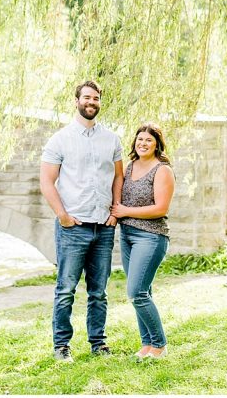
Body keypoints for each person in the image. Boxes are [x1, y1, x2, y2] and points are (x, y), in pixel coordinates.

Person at [40, 80, 124, 361]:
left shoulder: (112, 139)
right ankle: (61, 346)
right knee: (66, 290)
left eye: (96, 98)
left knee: (99, 292)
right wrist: (62, 216)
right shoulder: (60, 139)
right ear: (76, 101)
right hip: (73, 227)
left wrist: (114, 213)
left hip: (103, 226)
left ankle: (98, 343)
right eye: (87, 97)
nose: (91, 102)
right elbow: (47, 182)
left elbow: (118, 177)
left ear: (100, 102)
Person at [110, 122, 176, 360]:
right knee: (143, 291)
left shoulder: (162, 170)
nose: (143, 144)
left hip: (151, 236)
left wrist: (125, 211)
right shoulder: (130, 167)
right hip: (128, 236)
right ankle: (147, 344)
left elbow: (160, 208)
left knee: (136, 292)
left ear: (157, 144)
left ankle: (159, 344)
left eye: (148, 140)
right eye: (140, 140)